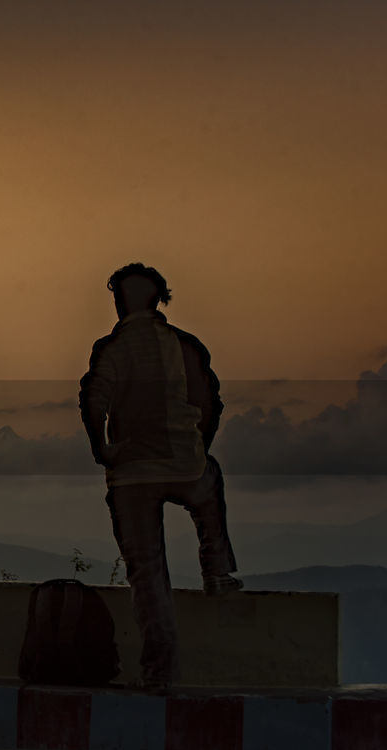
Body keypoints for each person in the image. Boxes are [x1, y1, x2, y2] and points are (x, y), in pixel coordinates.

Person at [78, 261, 243, 692]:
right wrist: (195, 446)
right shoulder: (186, 346)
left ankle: (160, 674)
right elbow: (212, 404)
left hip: (130, 476)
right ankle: (217, 569)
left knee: (148, 577)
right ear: (159, 299)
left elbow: (94, 402)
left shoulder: (111, 347)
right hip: (184, 464)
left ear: (119, 301)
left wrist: (104, 451)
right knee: (210, 483)